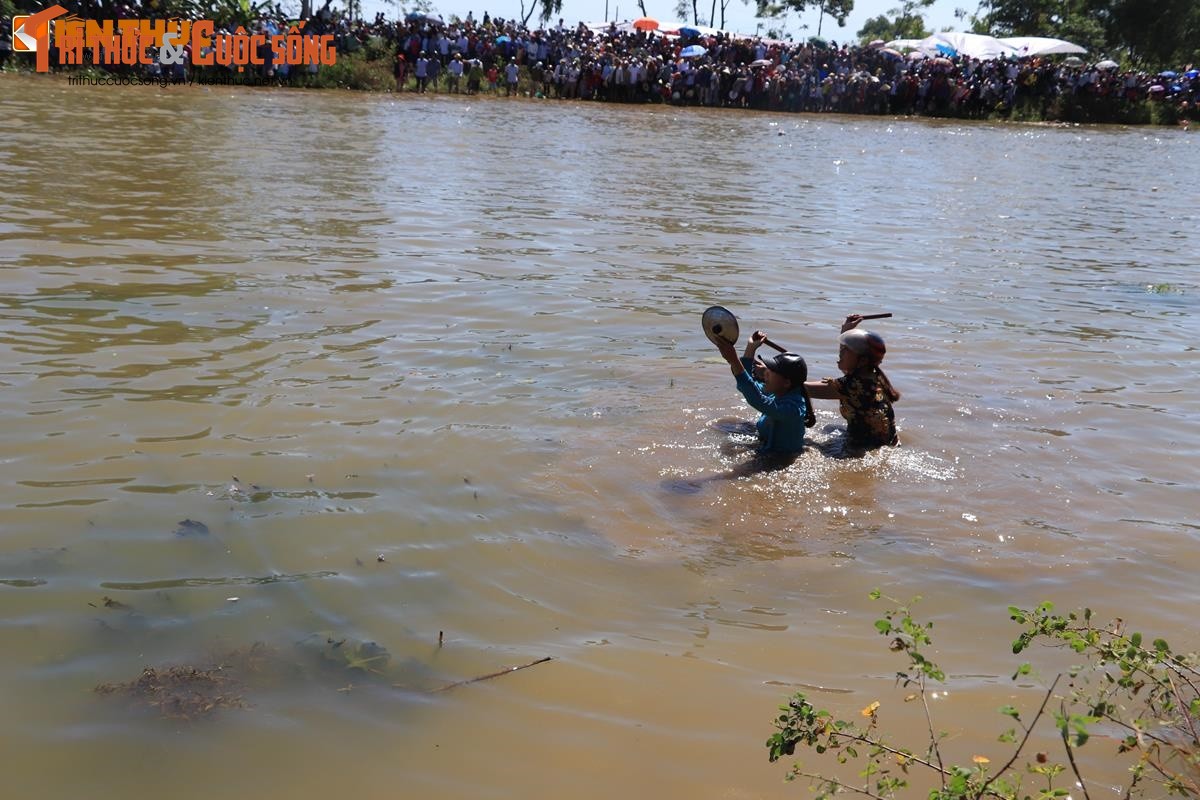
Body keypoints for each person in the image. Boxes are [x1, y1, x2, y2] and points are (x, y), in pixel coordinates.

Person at [805, 315, 900, 449]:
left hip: (865, 448)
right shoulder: (872, 375)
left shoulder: (852, 386)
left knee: (809, 445)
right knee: (830, 428)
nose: (840, 353)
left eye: (846, 350)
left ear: (862, 360)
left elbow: (802, 388)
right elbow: (849, 365)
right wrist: (846, 331)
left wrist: (768, 372)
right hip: (889, 443)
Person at [713, 330, 815, 454]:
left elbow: (757, 399)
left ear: (787, 383)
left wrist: (734, 360)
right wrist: (751, 348)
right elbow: (747, 386)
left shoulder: (793, 409)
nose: (766, 373)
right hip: (765, 443)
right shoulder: (777, 391)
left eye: (771, 371)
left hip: (779, 459)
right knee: (719, 425)